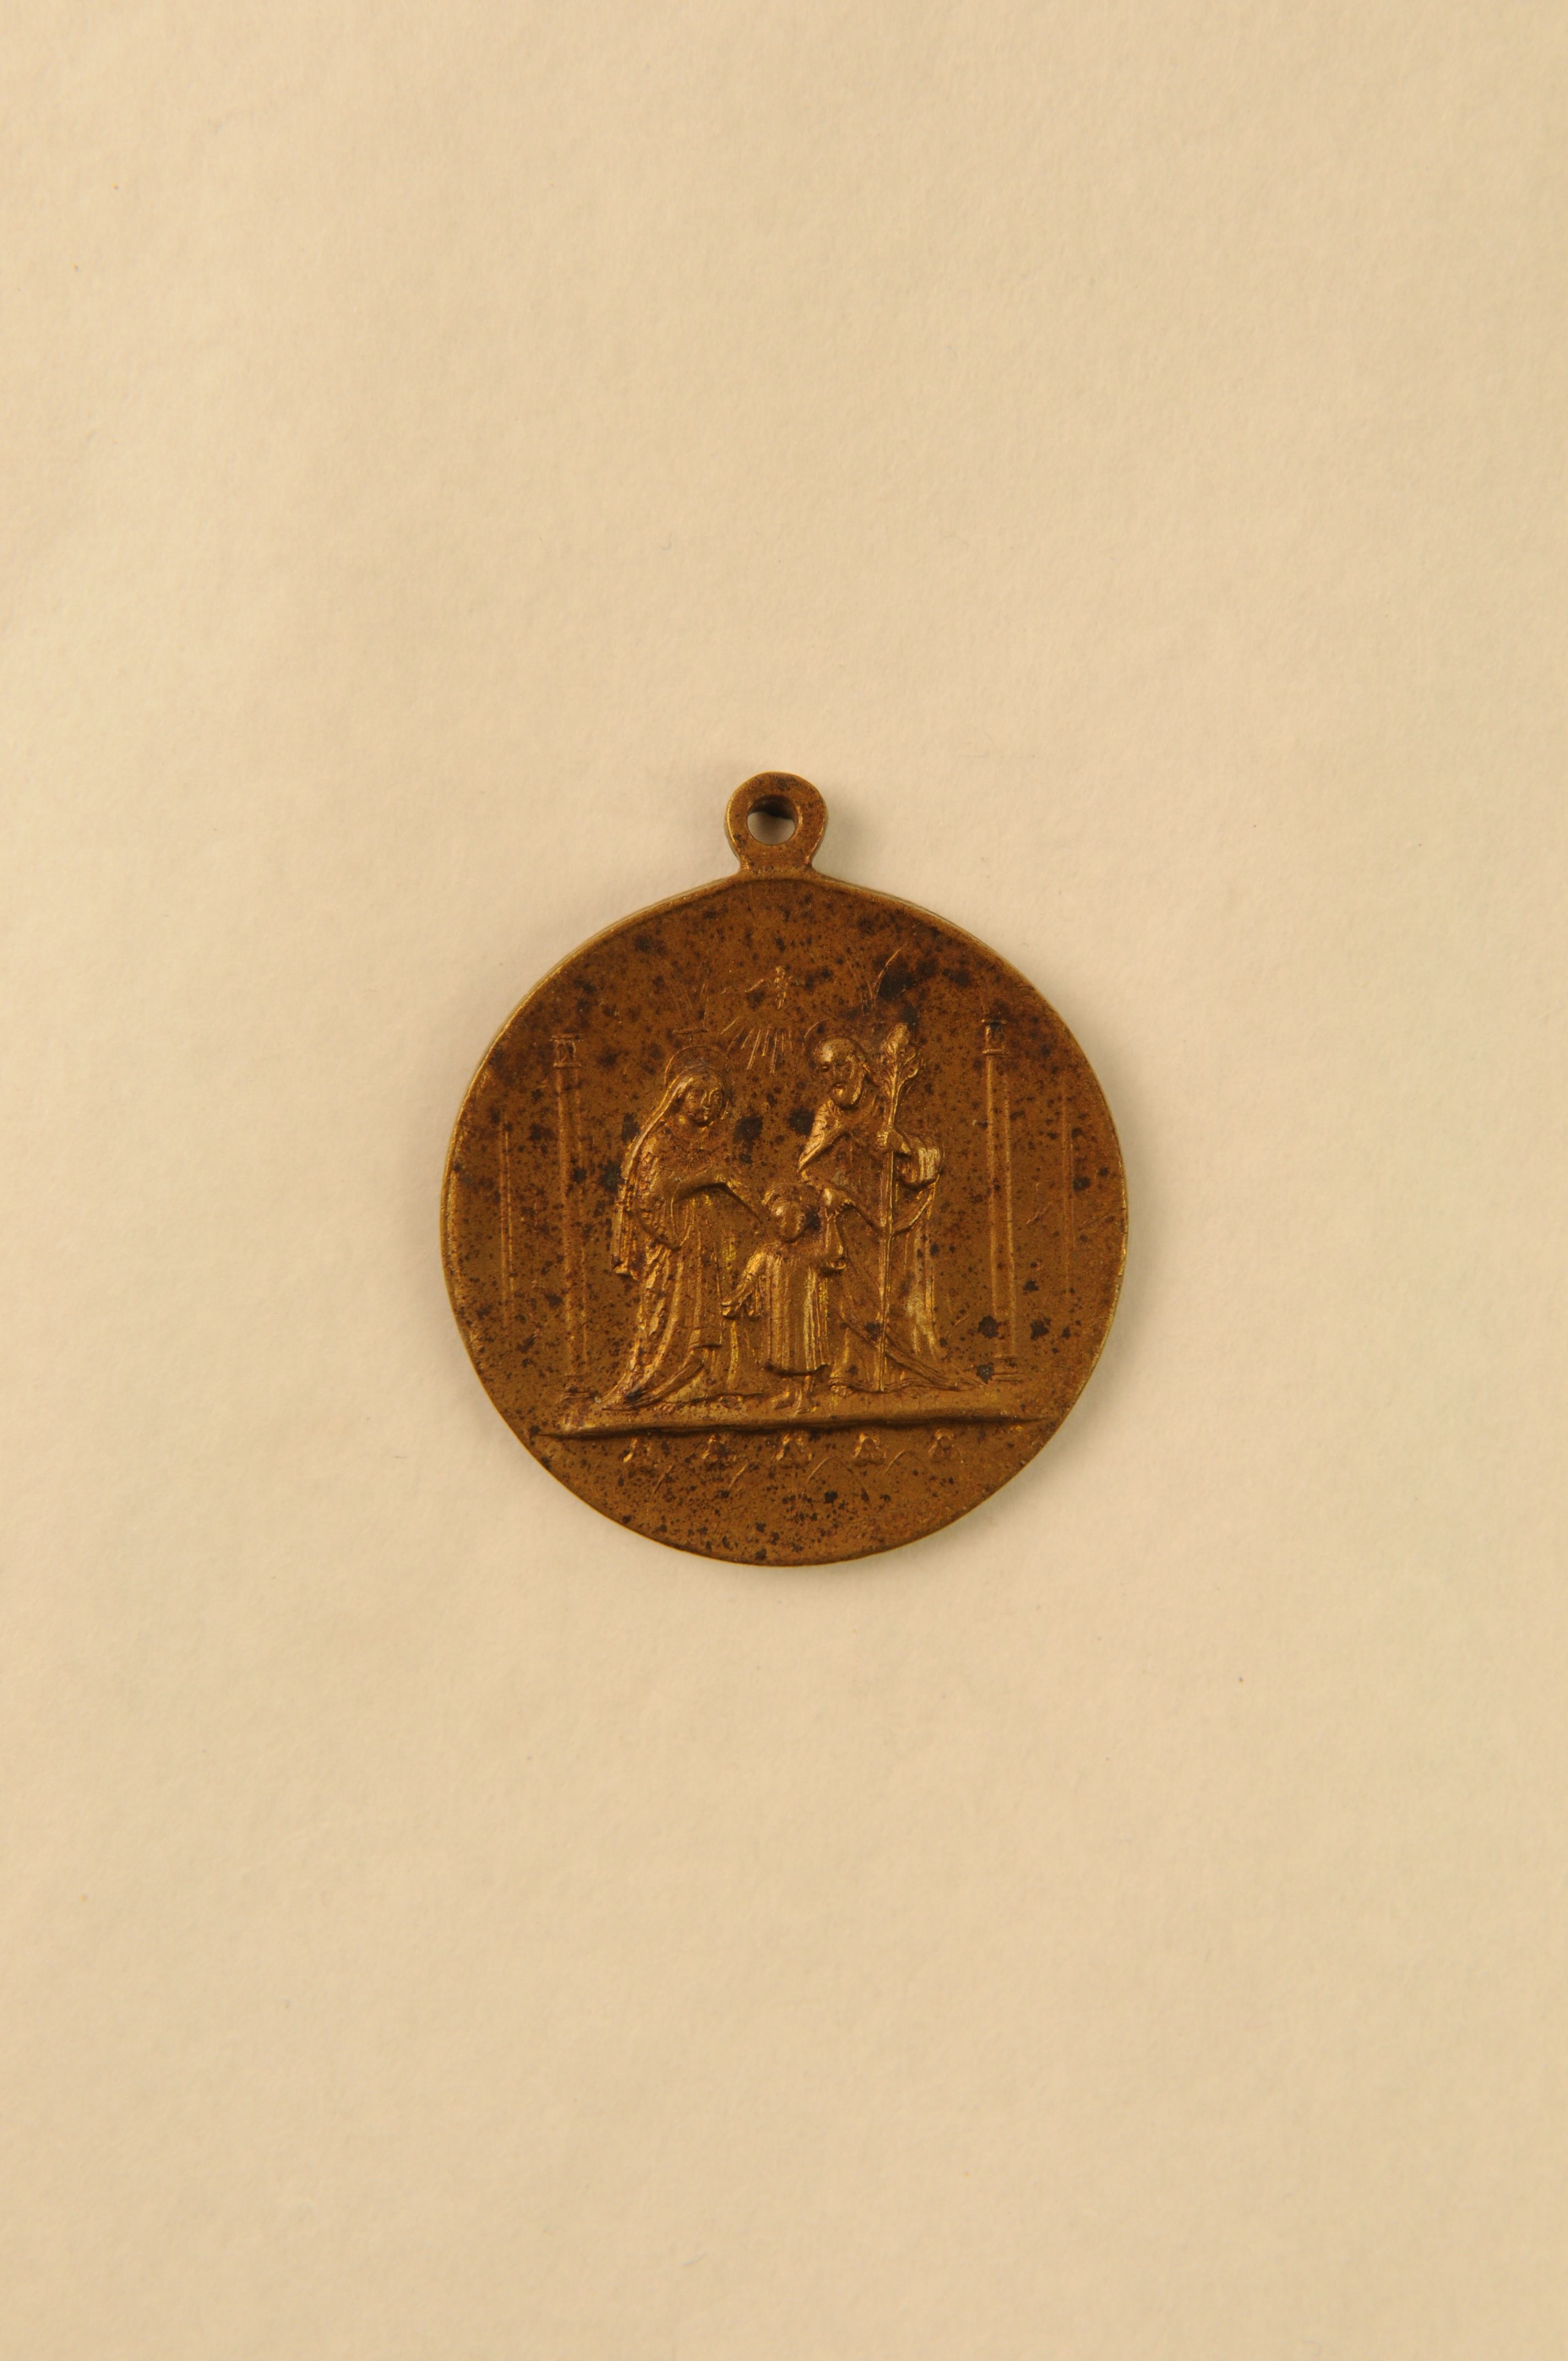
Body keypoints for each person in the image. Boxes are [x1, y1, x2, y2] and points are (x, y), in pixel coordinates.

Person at [601, 1058, 761, 1406]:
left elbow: (733, 1183)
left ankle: (701, 1376)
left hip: (705, 1242)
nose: (707, 1105)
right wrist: (707, 1178)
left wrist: (761, 1215)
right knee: (666, 1312)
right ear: (679, 1096)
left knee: (706, 1309)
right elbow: (651, 1195)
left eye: (715, 1099)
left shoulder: (712, 1141)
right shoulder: (660, 1141)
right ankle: (650, 1379)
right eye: (698, 1095)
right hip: (672, 1244)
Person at [797, 1029, 950, 1391]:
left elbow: (935, 1154)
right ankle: (852, 1372)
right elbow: (806, 1168)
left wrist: (903, 1144)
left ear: (863, 1066)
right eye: (826, 1069)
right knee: (851, 1302)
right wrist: (827, 1190)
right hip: (853, 1218)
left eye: (842, 1065)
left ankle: (908, 1372)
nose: (834, 1076)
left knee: (900, 1297)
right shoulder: (828, 1114)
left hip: (899, 1219)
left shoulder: (891, 1103)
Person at [722, 1185, 846, 1412]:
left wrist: (831, 1219)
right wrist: (737, 1298)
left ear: (802, 1224)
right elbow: (750, 1278)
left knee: (805, 1352)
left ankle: (805, 1395)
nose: (786, 1227)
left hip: (804, 1314)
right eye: (780, 1221)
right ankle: (790, 1392)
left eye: (792, 1222)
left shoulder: (810, 1252)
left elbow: (833, 1255)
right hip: (778, 1314)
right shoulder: (767, 1253)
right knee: (781, 1354)